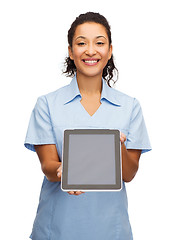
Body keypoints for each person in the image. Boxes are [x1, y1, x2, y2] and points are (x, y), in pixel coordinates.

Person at [24, 12, 151, 240]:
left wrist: (117, 147)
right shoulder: (47, 104)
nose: (91, 50)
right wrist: (63, 173)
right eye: (81, 43)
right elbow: (48, 166)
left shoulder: (129, 107)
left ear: (110, 50)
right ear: (71, 52)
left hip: (111, 231)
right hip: (56, 230)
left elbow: (129, 173)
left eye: (99, 43)